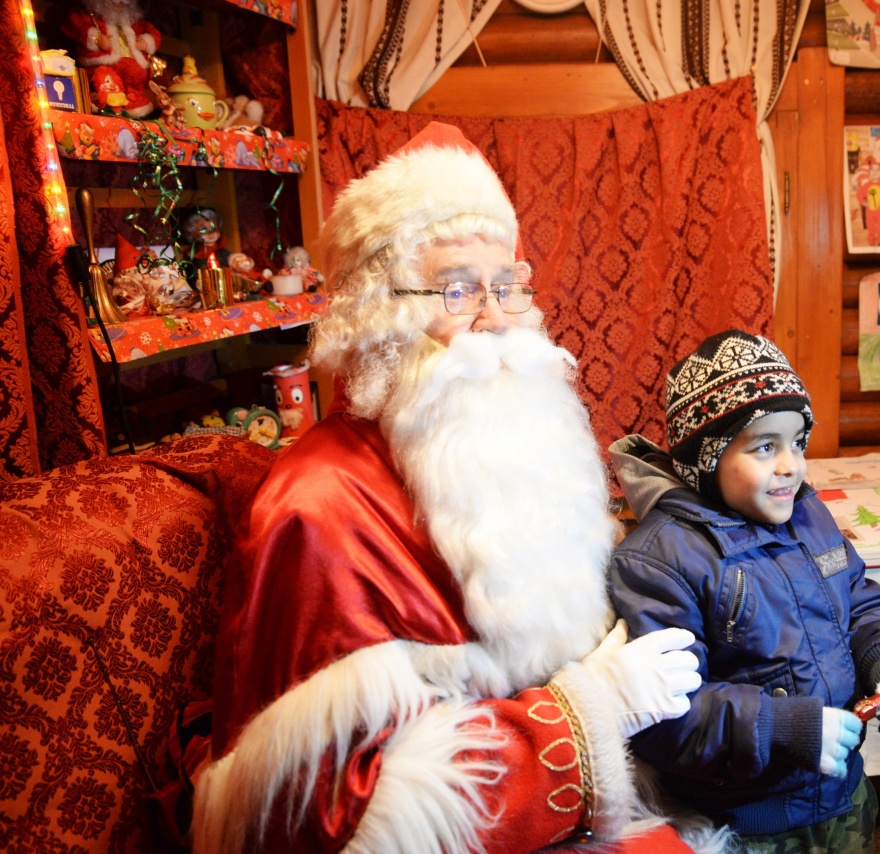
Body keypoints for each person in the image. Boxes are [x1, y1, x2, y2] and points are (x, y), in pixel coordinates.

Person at [190, 122, 705, 853]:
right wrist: (593, 711)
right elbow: (325, 818)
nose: (496, 318)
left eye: (507, 286)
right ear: (379, 313)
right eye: (457, 289)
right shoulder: (319, 507)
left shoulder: (519, 449)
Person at [608, 329, 880, 852]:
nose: (791, 465)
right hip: (742, 824)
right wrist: (786, 728)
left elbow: (861, 601)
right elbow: (665, 711)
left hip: (841, 796)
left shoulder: (808, 515)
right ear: (707, 456)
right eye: (764, 446)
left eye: (797, 442)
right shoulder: (659, 561)